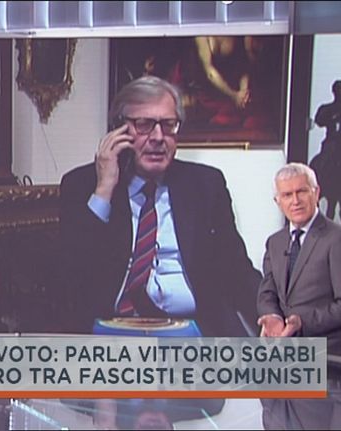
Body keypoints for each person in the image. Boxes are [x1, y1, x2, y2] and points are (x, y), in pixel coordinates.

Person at [60, 75, 261, 337]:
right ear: (119, 130)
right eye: (143, 125)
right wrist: (104, 189)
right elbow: (71, 273)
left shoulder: (205, 184)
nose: (158, 137)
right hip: (113, 332)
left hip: (195, 330)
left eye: (168, 125)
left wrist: (272, 314)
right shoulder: (82, 184)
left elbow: (237, 269)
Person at [257, 163, 341, 359]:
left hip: (329, 354)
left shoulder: (339, 239)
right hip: (285, 354)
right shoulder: (275, 242)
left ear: (316, 193)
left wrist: (302, 322)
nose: (295, 201)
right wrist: (272, 315)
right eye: (287, 195)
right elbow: (267, 292)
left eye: (302, 192)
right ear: (278, 201)